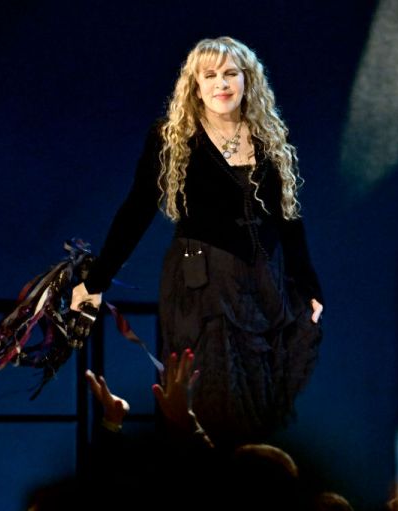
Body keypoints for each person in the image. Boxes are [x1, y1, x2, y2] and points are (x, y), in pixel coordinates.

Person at [71, 36, 324, 447]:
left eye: (230, 74)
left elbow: (288, 218)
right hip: (201, 283)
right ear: (195, 84)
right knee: (209, 390)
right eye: (210, 76)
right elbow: (137, 210)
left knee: (258, 402)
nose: (221, 84)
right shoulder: (173, 138)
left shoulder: (267, 137)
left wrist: (307, 285)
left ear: (247, 81)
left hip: (261, 286)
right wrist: (97, 279)